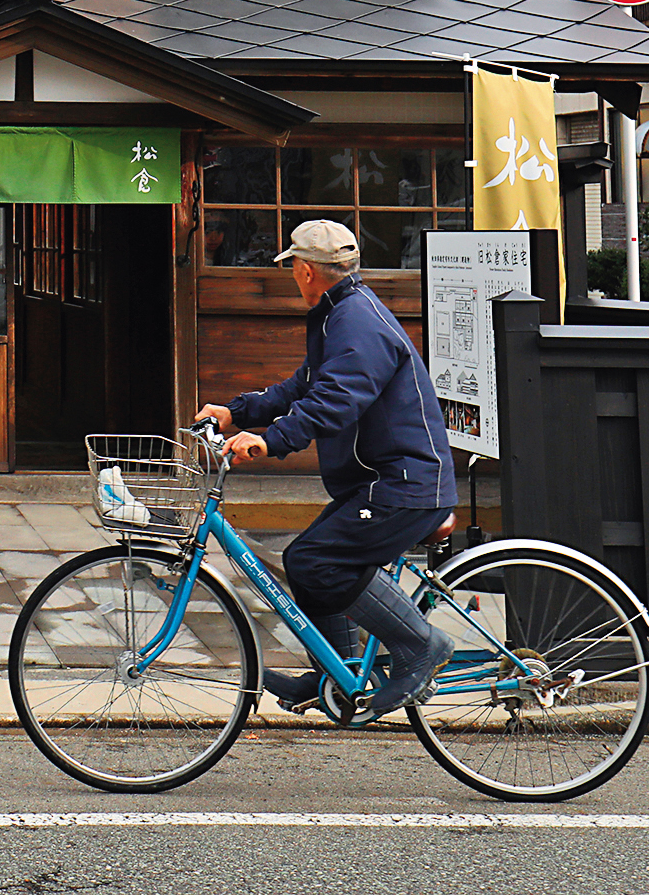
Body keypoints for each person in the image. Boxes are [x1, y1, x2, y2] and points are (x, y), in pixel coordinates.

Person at [195, 218, 455, 720]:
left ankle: (422, 647)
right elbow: (304, 385)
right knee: (306, 563)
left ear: (310, 270)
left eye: (293, 264)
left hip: (404, 485)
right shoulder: (342, 312)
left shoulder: (355, 320)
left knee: (316, 561)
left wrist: (272, 441)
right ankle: (336, 669)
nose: (291, 272)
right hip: (383, 482)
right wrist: (238, 412)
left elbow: (335, 400)